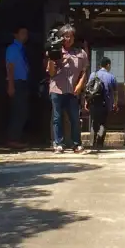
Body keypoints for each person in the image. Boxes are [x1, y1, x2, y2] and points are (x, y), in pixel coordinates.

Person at [47, 24, 88, 153]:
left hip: (72, 90)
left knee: (75, 118)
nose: (68, 39)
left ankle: (76, 144)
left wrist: (80, 85)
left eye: (70, 36)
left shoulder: (81, 53)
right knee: (57, 118)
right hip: (57, 89)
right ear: (61, 37)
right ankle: (58, 143)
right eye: (65, 36)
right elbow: (51, 73)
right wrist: (52, 59)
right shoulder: (55, 51)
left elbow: (84, 71)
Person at [86, 57, 118, 151]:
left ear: (100, 65)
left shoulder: (93, 74)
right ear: (108, 65)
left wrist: (86, 101)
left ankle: (92, 143)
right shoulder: (111, 77)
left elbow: (88, 90)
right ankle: (99, 143)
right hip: (105, 104)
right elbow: (115, 92)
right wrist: (115, 103)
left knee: (93, 123)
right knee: (103, 124)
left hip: (93, 103)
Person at [5, 26, 29, 149]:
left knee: (22, 111)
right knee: (18, 111)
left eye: (26, 33)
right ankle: (12, 139)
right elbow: (10, 67)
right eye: (23, 33)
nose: (25, 36)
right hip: (16, 82)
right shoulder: (13, 49)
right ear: (16, 35)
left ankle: (16, 137)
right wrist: (10, 85)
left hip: (22, 82)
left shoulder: (21, 49)